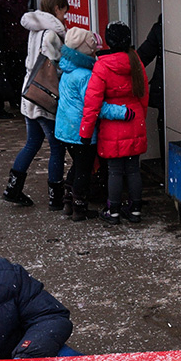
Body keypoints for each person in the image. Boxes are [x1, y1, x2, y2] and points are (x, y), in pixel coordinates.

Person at [54, 26, 130, 220]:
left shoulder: (67, 70)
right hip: (80, 131)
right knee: (83, 169)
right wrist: (122, 112)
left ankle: (68, 202)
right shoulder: (86, 76)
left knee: (77, 165)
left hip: (65, 129)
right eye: (93, 49)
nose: (96, 52)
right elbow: (97, 106)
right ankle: (79, 209)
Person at [2, 0, 68, 208]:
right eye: (64, 11)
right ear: (56, 9)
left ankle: (13, 188)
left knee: (32, 143)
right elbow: (57, 66)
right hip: (44, 96)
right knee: (57, 147)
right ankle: (55, 198)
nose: (65, 17)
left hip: (30, 92)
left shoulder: (35, 30)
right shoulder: (50, 34)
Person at [78, 21, 149, 224]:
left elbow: (92, 102)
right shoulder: (136, 61)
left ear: (108, 41)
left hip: (113, 126)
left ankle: (114, 210)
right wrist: (139, 119)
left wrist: (85, 131)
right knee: (134, 169)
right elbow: (143, 95)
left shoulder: (102, 65)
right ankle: (135, 209)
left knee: (115, 171)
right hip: (135, 120)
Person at [0, 0, 29, 113]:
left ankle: (15, 99)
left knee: (13, 73)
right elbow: (20, 14)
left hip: (10, 42)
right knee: (16, 74)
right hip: (14, 43)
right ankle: (16, 100)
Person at [136, 14, 165, 159]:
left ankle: (164, 163)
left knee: (163, 123)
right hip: (169, 85)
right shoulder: (163, 27)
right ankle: (166, 166)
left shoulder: (160, 28)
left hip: (162, 86)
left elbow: (143, 56)